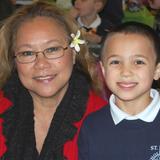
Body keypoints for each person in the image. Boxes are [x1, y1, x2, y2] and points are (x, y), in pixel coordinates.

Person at [0, 1, 107, 159]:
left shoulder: (105, 119)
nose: (41, 64)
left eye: (52, 49)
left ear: (73, 53)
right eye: (27, 53)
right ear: (14, 61)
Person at [78, 22, 160, 160]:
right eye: (115, 62)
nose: (126, 72)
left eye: (138, 62)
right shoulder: (91, 126)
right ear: (103, 70)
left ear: (157, 70)